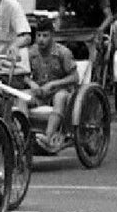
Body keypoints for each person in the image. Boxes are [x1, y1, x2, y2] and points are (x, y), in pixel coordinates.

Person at [25, 16, 80, 152]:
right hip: (40, 92)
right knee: (21, 97)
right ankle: (23, 135)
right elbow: (24, 75)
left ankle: (48, 137)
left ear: (52, 35)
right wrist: (31, 83)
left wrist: (54, 84)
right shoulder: (31, 52)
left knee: (60, 97)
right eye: (38, 35)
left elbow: (75, 77)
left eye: (45, 35)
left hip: (60, 92)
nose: (41, 39)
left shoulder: (63, 53)